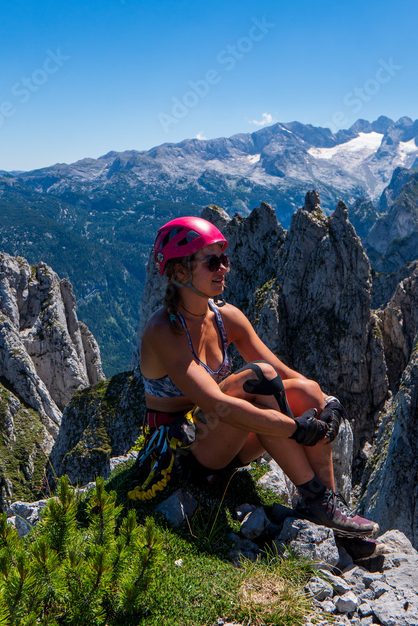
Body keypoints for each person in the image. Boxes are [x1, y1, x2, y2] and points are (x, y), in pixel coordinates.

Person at [135, 215, 378, 537]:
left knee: (307, 391)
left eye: (224, 259)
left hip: (226, 438)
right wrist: (295, 428)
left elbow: (287, 374)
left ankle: (326, 507)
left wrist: (328, 402)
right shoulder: (164, 330)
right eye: (212, 262)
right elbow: (212, 400)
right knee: (259, 377)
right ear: (180, 271)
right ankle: (319, 501)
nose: (223, 268)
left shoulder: (227, 317)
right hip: (183, 454)